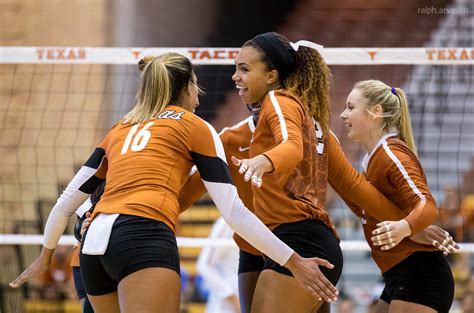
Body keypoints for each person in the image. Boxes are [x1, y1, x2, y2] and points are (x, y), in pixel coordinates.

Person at [10, 52, 338, 313]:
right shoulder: (195, 126)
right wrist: (294, 261)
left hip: (94, 247)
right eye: (196, 85)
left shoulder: (121, 127)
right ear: (187, 88)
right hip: (142, 237)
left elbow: (66, 201)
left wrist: (45, 255)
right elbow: (233, 211)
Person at [340, 79, 456, 313]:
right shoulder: (373, 159)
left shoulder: (391, 154)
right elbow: (366, 207)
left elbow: (427, 205)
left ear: (376, 111)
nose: (343, 115)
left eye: (351, 107)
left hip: (420, 275)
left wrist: (405, 226)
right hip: (398, 275)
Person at [196, 217, 240, 313]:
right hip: (225, 306)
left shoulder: (260, 220)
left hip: (250, 299)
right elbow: (203, 265)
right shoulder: (226, 223)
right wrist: (232, 298)